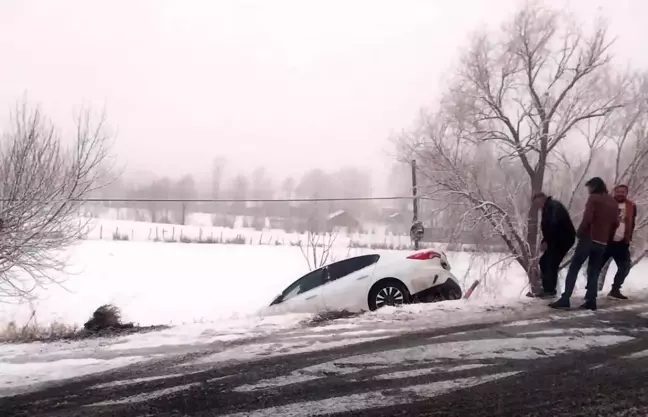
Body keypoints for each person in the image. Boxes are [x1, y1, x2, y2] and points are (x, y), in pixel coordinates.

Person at [549, 177, 619, 311]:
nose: (588, 191)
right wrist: (607, 237)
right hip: (602, 242)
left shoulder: (594, 198)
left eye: (589, 188)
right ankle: (591, 301)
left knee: (574, 268)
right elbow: (615, 223)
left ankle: (565, 299)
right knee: (593, 271)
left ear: (594, 187)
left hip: (589, 238)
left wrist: (580, 232)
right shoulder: (613, 202)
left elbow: (588, 218)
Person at [527, 192, 575, 298]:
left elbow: (554, 225)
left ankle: (549, 291)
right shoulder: (547, 208)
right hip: (556, 239)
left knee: (550, 262)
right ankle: (548, 289)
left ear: (541, 198)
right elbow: (548, 227)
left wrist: (547, 242)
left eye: (537, 203)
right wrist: (545, 240)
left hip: (563, 238)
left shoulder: (553, 207)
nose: (537, 206)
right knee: (545, 261)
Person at [598, 184, 637, 300]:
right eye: (618, 192)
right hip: (606, 241)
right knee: (596, 266)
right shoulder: (607, 204)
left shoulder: (631, 206)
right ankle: (590, 290)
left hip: (622, 242)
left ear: (626, 193)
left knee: (625, 266)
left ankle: (615, 289)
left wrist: (628, 236)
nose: (620, 194)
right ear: (614, 192)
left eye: (623, 192)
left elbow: (632, 222)